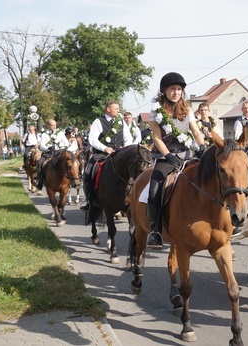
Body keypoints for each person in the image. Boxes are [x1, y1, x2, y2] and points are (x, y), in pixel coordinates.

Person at [146, 72, 206, 249]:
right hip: (166, 156)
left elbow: (195, 131)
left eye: (179, 89)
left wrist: (201, 146)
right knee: (155, 187)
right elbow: (157, 138)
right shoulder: (156, 110)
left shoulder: (186, 110)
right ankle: (155, 231)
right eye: (172, 89)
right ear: (164, 91)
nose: (176, 92)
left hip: (187, 155)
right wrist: (167, 155)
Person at [80, 100, 133, 211]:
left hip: (119, 153)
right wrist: (105, 148)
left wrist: (126, 148)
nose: (119, 111)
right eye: (116, 109)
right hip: (102, 153)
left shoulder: (121, 122)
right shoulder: (99, 121)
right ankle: (90, 200)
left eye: (119, 109)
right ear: (108, 109)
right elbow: (92, 139)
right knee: (89, 171)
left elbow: (128, 137)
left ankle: (132, 198)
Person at [36, 119, 68, 190]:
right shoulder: (45, 134)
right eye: (52, 125)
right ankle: (40, 181)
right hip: (48, 153)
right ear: (48, 126)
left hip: (59, 153)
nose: (54, 126)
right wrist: (47, 148)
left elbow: (66, 143)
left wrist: (63, 148)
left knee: (69, 163)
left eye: (55, 125)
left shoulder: (60, 133)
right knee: (40, 163)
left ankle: (72, 180)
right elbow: (41, 145)